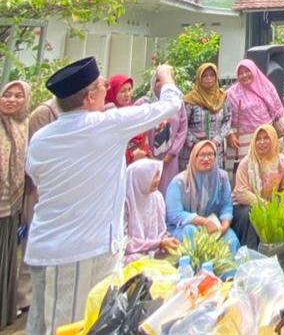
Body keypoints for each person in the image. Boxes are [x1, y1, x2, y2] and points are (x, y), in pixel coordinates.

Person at [25, 59, 182, 335]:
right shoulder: (106, 125)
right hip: (80, 254)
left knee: (41, 325)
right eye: (102, 86)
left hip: (44, 249)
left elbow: (37, 178)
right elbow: (169, 106)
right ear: (89, 97)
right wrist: (166, 77)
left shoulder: (41, 138)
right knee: (75, 327)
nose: (106, 88)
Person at [15, 93, 60, 317]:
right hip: (37, 187)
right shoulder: (44, 113)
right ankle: (24, 296)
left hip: (54, 187)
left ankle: (37, 294)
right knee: (33, 239)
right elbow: (38, 152)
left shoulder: (60, 111)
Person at [166, 140, 240, 254]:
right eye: (202, 155)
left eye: (210, 154)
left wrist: (224, 227)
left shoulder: (222, 178)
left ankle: (227, 271)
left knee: (231, 239)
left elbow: (227, 206)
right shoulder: (179, 182)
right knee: (190, 232)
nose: (206, 159)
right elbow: (174, 214)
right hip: (184, 227)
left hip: (213, 226)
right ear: (193, 157)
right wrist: (203, 222)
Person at [226, 60, 284, 177]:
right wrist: (229, 134)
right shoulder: (231, 93)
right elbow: (225, 116)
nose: (244, 75)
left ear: (254, 71)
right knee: (245, 174)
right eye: (240, 73)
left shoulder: (266, 87)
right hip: (242, 141)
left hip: (265, 137)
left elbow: (277, 108)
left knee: (265, 172)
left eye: (247, 71)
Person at [231, 124, 284, 249]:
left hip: (269, 204)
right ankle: (251, 252)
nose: (261, 142)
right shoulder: (246, 163)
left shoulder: (280, 162)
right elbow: (241, 193)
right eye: (258, 139)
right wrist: (264, 205)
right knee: (253, 213)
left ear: (274, 139)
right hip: (244, 207)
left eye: (266, 138)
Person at [0, 80, 29, 328]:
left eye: (18, 96)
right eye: (7, 95)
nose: (11, 100)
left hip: (11, 206)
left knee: (7, 260)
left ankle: (5, 313)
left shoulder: (23, 127)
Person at [136, 69, 187, 193]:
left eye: (165, 80)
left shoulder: (178, 104)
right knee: (147, 189)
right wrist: (147, 152)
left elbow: (182, 129)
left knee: (168, 190)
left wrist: (172, 153)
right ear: (153, 83)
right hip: (147, 157)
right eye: (158, 80)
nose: (162, 84)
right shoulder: (143, 103)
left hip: (170, 159)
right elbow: (137, 131)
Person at [123, 159, 179, 264]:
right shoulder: (125, 203)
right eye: (154, 176)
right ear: (141, 178)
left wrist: (164, 244)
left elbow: (161, 231)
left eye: (158, 175)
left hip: (153, 251)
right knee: (136, 260)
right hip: (129, 256)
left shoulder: (157, 197)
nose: (158, 180)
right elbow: (124, 244)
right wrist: (157, 243)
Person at [182, 63, 233, 170]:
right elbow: (183, 125)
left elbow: (227, 120)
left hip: (215, 150)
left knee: (214, 181)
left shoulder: (222, 97)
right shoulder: (190, 100)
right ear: (199, 78)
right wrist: (195, 143)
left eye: (212, 75)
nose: (208, 78)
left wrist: (217, 140)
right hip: (194, 150)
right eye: (205, 76)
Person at [108, 74, 149, 165]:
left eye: (129, 90)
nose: (127, 94)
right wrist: (131, 155)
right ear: (113, 92)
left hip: (138, 164)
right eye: (122, 91)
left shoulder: (135, 112)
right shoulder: (107, 116)